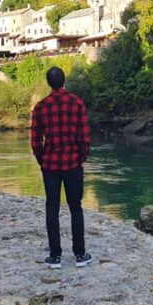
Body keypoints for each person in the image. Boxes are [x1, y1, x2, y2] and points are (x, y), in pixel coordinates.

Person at [30, 67, 92, 269]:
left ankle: (55, 256)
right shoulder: (77, 103)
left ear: (49, 83)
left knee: (52, 208)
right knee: (76, 208)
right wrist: (81, 157)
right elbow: (84, 138)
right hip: (73, 163)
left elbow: (35, 141)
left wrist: (43, 160)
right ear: (64, 81)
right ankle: (80, 254)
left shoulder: (40, 107)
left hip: (51, 165)